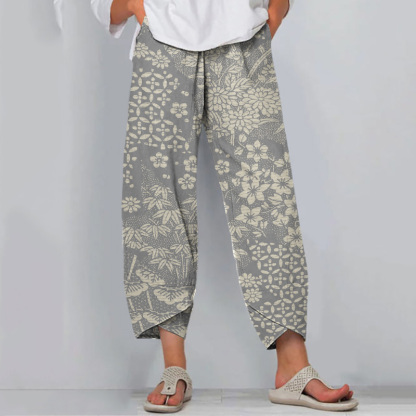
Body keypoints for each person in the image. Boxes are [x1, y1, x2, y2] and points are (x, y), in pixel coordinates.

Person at [90, 0, 359, 412]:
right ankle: (173, 366)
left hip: (243, 39)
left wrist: (275, 10)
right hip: (163, 41)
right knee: (158, 198)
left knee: (268, 194)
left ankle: (292, 365)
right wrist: (131, 4)